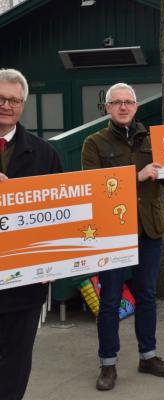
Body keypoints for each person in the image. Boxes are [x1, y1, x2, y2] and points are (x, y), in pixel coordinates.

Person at [81, 82, 164, 391]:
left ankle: (148, 356)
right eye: (117, 102)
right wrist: (136, 176)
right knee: (111, 300)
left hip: (148, 229)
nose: (123, 107)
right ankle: (108, 364)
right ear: (107, 108)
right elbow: (94, 186)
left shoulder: (153, 141)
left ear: (136, 106)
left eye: (129, 101)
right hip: (113, 233)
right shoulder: (94, 143)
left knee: (146, 296)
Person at [0, 68, 63, 400]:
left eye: (13, 100)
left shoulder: (44, 154)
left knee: (16, 361)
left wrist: (51, 264)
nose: (6, 105)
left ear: (23, 105)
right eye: (1, 98)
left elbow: (59, 219)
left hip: (23, 284)